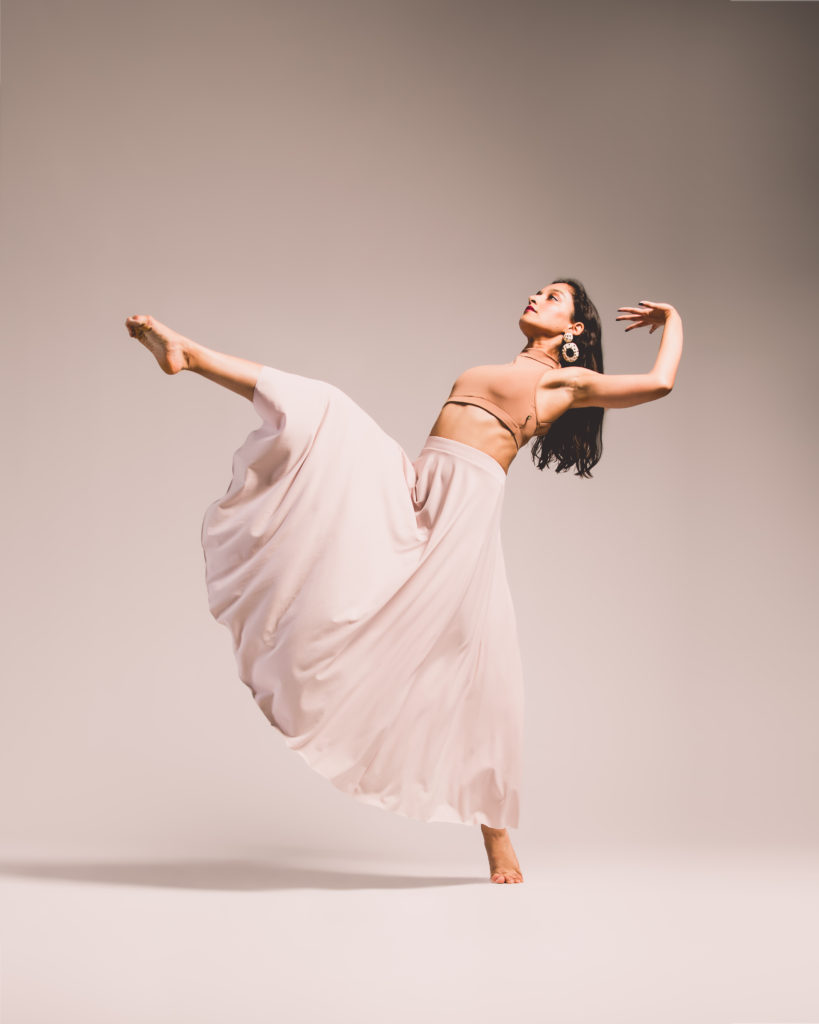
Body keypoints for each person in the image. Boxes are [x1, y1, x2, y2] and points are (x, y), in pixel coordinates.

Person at [124, 279, 683, 885]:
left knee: (479, 674)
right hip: (416, 486)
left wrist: (673, 318)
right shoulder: (500, 367)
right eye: (538, 291)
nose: (535, 298)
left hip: (460, 515)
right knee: (326, 409)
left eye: (553, 298)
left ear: (574, 330)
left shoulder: (564, 382)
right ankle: (189, 352)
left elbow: (659, 384)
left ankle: (498, 839)